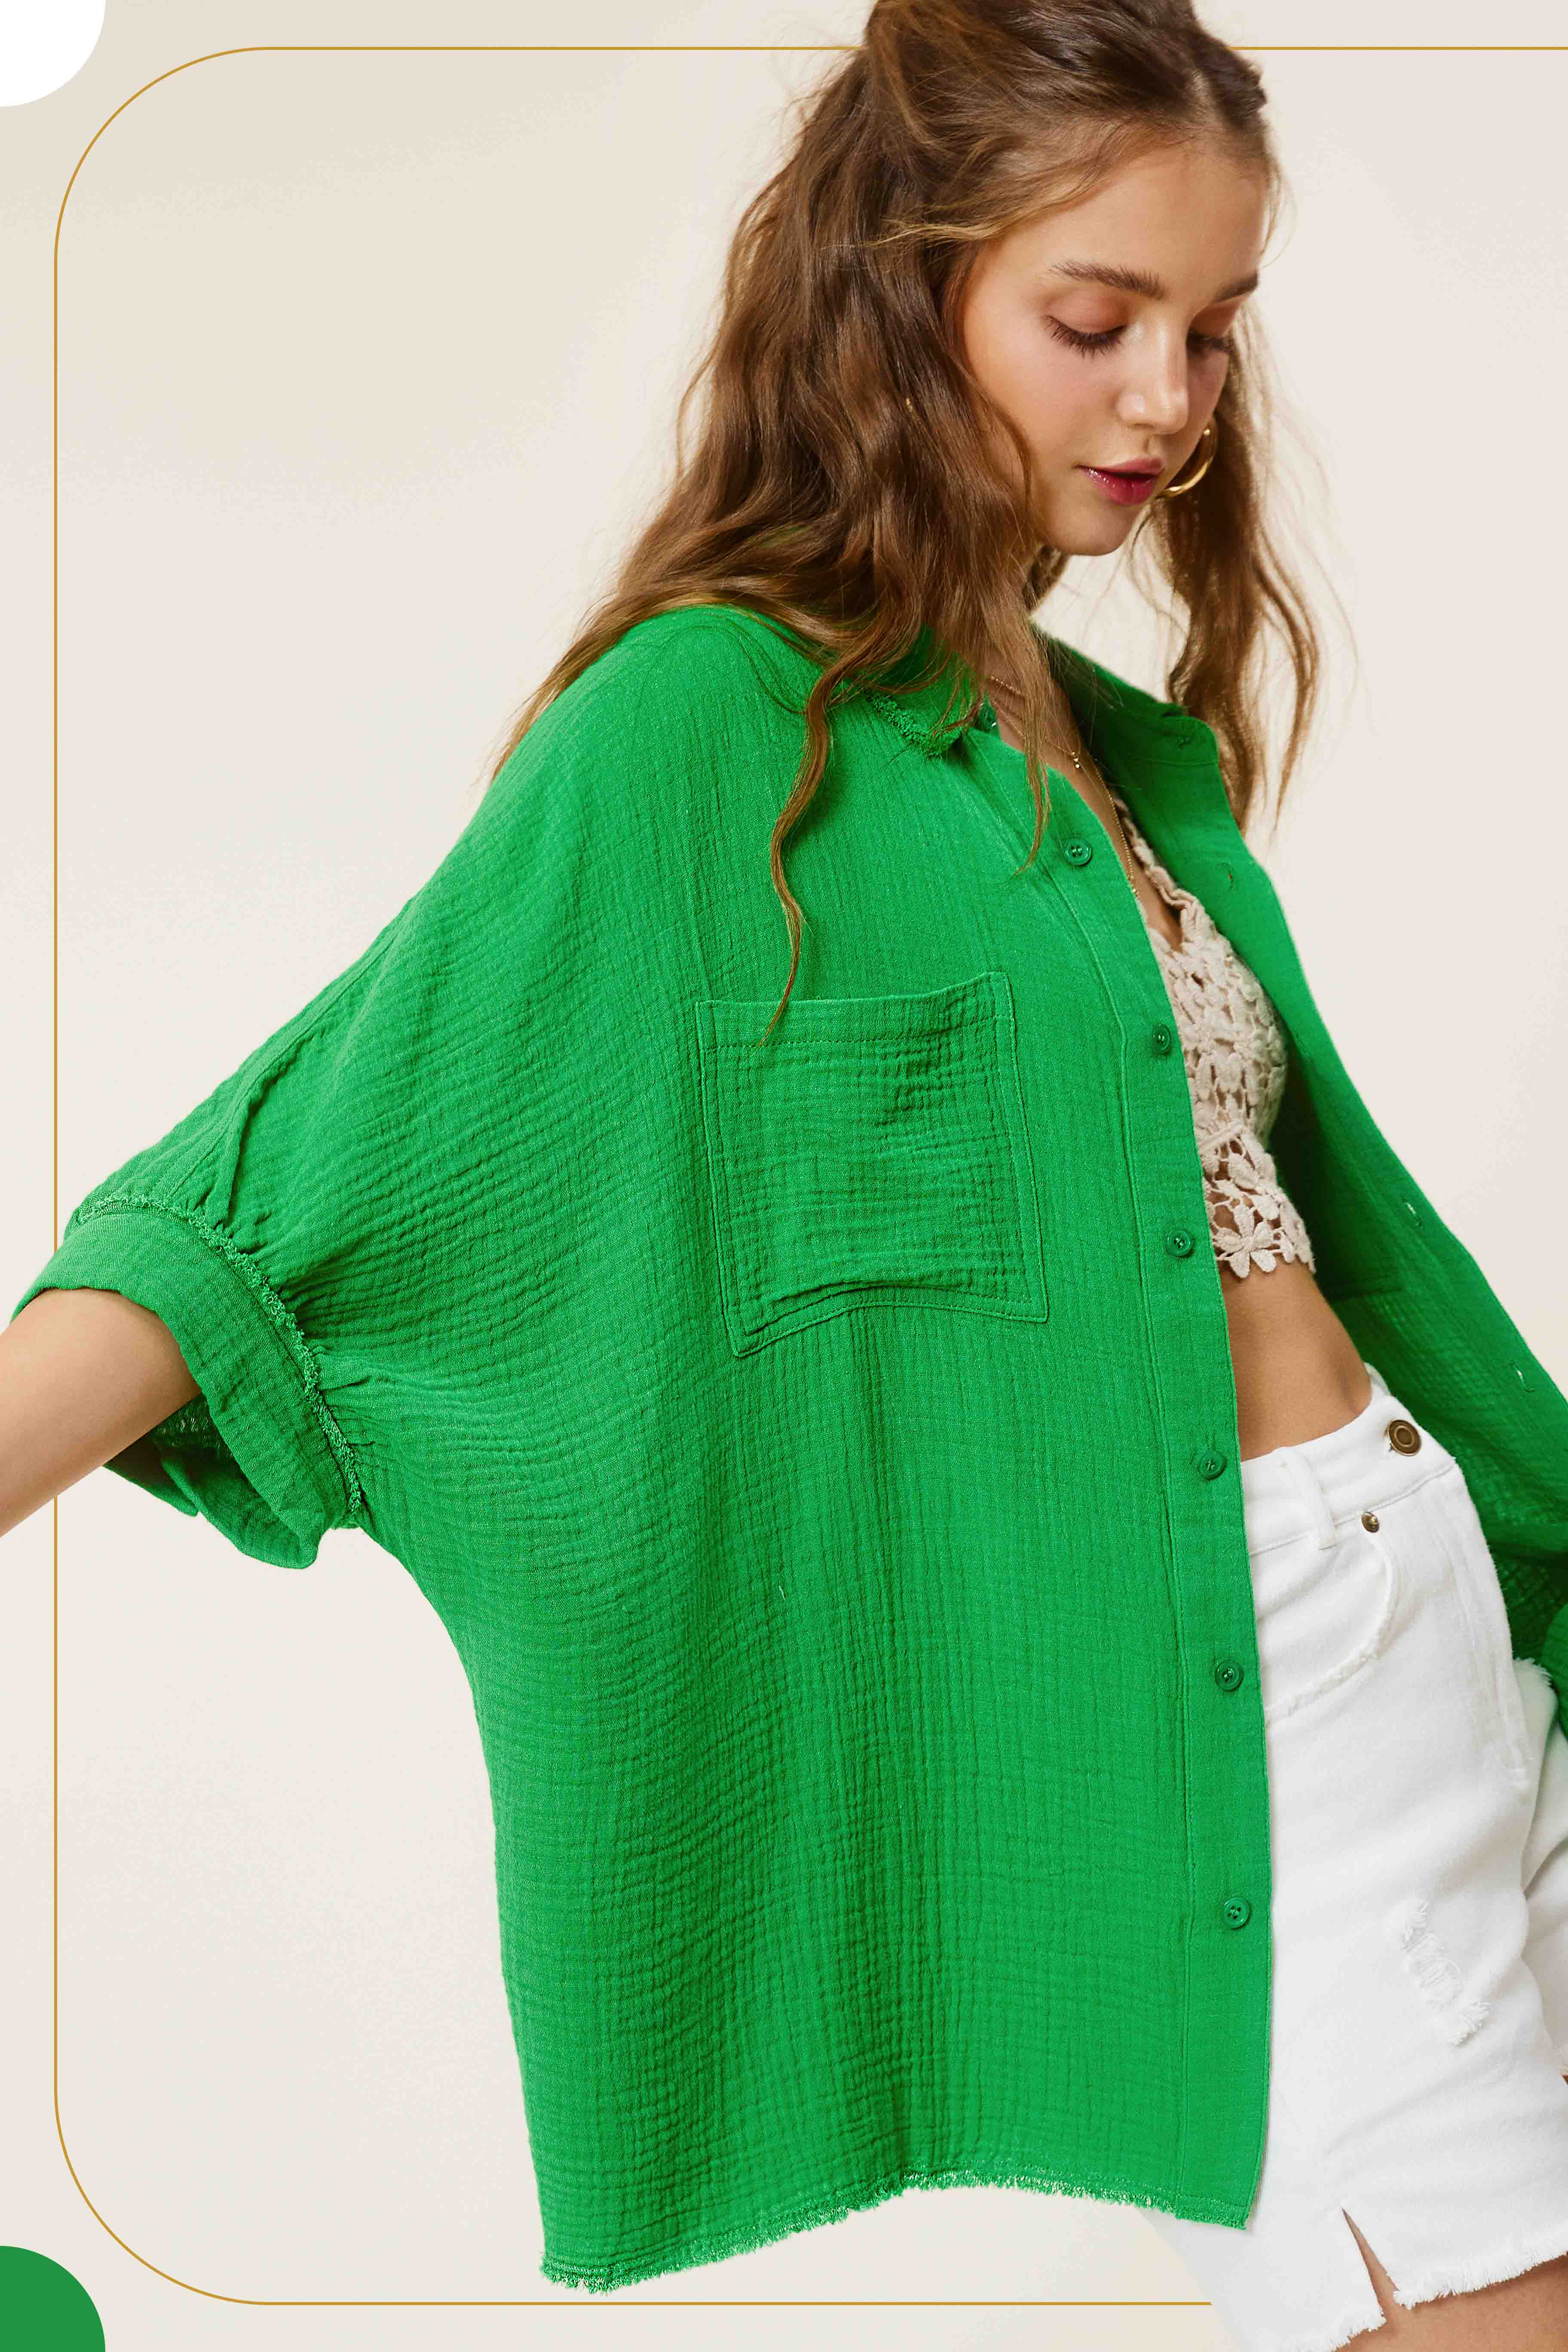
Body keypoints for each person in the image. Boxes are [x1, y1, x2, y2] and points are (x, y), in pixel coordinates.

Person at [6, 1, 1568, 2340]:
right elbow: (260, 1210)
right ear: (905, 291)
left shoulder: (1105, 738)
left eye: (1215, 330)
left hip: (1446, 1634)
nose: (1169, 401)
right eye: (1096, 321)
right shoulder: (700, 730)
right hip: (1230, 1731)